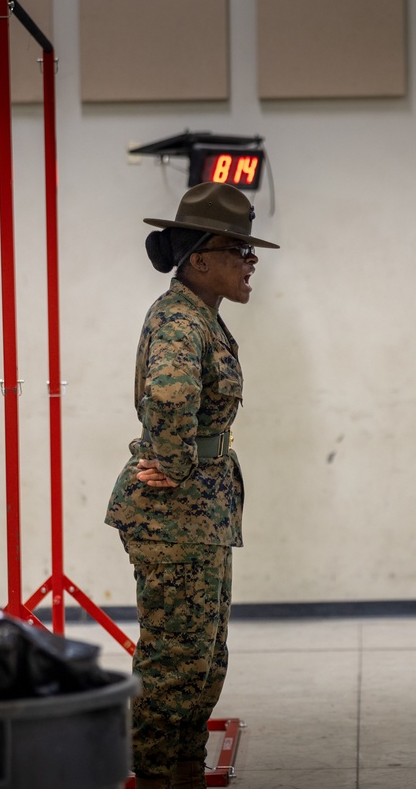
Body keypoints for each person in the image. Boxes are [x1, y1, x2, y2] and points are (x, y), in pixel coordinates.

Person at [104, 182, 278, 789]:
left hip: (200, 510)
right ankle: (154, 777)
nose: (251, 262)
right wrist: (175, 466)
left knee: (203, 661)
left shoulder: (199, 316)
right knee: (175, 662)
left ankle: (183, 771)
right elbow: (172, 395)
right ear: (199, 259)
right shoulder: (181, 320)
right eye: (239, 249)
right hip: (175, 512)